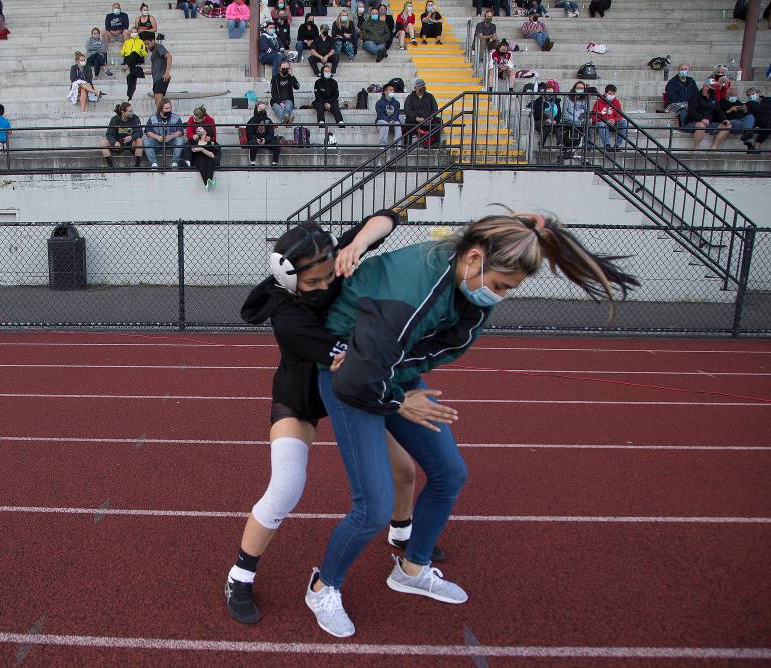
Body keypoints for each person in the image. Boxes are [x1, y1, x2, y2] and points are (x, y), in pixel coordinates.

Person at [304, 213, 638, 639]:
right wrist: (398, 400)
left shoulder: (467, 272)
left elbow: (429, 348)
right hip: (347, 375)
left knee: (449, 473)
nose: (499, 297)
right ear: (475, 258)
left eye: (508, 290)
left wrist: (400, 386)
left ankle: (412, 569)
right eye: (499, 286)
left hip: (389, 369)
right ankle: (322, 586)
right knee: (372, 505)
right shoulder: (412, 293)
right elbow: (356, 378)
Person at [226, 212, 426, 625]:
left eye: (327, 280)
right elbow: (347, 358)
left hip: (349, 394)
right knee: (285, 486)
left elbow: (388, 219)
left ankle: (402, 534)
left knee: (404, 469)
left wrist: (357, 244)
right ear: (287, 279)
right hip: (302, 398)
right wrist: (401, 397)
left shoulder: (328, 259)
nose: (322, 288)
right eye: (312, 284)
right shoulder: (288, 318)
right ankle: (240, 575)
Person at [682, 82, 729, 150]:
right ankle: (695, 149)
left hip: (709, 123)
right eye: (712, 87)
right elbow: (692, 112)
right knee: (701, 125)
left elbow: (719, 111)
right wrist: (701, 119)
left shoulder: (713, 98)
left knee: (727, 126)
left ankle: (713, 148)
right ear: (705, 87)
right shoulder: (695, 96)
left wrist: (724, 119)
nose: (714, 89)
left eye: (714, 87)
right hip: (693, 123)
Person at [100, 101, 144, 167]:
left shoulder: (135, 118)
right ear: (123, 112)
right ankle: (111, 167)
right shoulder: (114, 119)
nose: (132, 112)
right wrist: (114, 142)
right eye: (129, 111)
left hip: (131, 143)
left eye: (132, 110)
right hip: (118, 144)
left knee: (140, 140)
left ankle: (137, 166)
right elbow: (109, 134)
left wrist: (131, 137)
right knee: (102, 143)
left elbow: (140, 132)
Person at [144, 98, 185, 168]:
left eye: (169, 108)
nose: (168, 110)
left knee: (180, 140)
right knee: (146, 141)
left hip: (171, 140)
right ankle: (154, 163)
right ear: (161, 108)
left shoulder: (176, 118)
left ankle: (175, 163)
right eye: (166, 108)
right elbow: (148, 132)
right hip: (157, 141)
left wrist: (171, 136)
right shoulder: (152, 118)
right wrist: (156, 137)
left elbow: (180, 131)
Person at [720, 86, 757, 152]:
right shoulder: (722, 102)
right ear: (727, 95)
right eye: (732, 95)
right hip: (731, 121)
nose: (734, 96)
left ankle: (747, 137)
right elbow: (720, 115)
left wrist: (745, 110)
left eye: (736, 95)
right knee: (742, 124)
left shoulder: (738, 102)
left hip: (741, 120)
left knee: (750, 117)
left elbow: (747, 114)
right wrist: (730, 110)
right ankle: (749, 142)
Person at [591, 83, 627, 150]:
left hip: (613, 122)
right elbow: (594, 116)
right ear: (605, 93)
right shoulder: (598, 102)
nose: (612, 95)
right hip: (603, 122)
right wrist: (606, 120)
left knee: (624, 123)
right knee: (602, 124)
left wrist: (615, 120)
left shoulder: (616, 102)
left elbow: (619, 114)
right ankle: (607, 145)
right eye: (610, 93)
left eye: (613, 94)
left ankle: (617, 146)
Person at [560, 80, 591, 158]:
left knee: (588, 123)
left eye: (582, 88)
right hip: (570, 120)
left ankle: (587, 144)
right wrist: (575, 119)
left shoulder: (585, 99)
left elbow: (587, 112)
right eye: (578, 88)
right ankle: (573, 145)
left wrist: (583, 118)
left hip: (581, 120)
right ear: (574, 88)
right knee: (577, 124)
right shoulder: (568, 97)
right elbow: (565, 113)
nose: (580, 89)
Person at [403, 78, 439, 144]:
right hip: (415, 120)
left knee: (438, 121)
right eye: (420, 86)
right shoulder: (410, 97)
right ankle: (407, 145)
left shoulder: (430, 96)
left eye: (423, 85)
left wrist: (431, 117)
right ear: (415, 88)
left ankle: (436, 143)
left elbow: (435, 109)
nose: (422, 87)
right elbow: (407, 110)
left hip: (428, 119)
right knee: (408, 122)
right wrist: (416, 118)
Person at [143, 32, 172, 112]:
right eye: (145, 45)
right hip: (157, 79)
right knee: (158, 103)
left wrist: (167, 72)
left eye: (148, 44)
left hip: (161, 78)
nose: (147, 46)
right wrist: (143, 73)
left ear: (153, 41)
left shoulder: (159, 47)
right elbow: (154, 70)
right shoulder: (154, 52)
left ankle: (160, 119)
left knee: (159, 103)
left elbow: (169, 57)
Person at [530, 82, 560, 146]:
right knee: (547, 125)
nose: (549, 94)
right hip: (540, 121)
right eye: (547, 92)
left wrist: (555, 120)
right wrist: (546, 119)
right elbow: (537, 113)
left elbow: (559, 114)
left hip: (553, 122)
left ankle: (560, 144)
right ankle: (541, 143)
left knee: (558, 126)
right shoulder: (539, 100)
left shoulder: (557, 101)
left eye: (551, 93)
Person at [121, 29, 148, 99]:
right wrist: (126, 52)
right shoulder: (127, 42)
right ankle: (132, 75)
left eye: (135, 32)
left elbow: (145, 54)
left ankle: (126, 65)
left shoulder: (141, 41)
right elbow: (122, 53)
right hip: (129, 58)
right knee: (130, 55)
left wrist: (141, 50)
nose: (133, 33)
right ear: (130, 33)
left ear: (137, 33)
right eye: (132, 32)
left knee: (134, 53)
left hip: (138, 57)